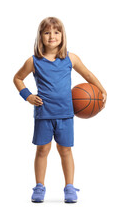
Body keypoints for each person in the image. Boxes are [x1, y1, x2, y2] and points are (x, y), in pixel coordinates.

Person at [13, 17, 107, 203]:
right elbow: (17, 78)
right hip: (44, 114)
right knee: (42, 150)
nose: (52, 36)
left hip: (65, 114)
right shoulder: (34, 61)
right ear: (40, 37)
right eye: (47, 32)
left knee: (65, 151)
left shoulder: (71, 58)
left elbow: (87, 74)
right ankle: (39, 186)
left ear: (63, 35)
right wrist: (28, 96)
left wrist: (101, 89)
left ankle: (69, 187)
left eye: (56, 32)